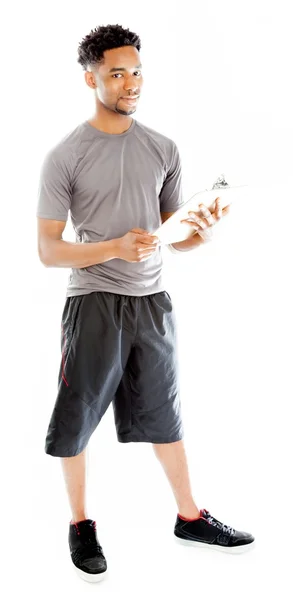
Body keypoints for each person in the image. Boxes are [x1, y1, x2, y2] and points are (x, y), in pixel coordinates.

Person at [36, 23, 255, 583]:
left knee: (165, 411)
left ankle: (190, 516)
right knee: (77, 419)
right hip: (94, 303)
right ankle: (80, 525)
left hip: (153, 303)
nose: (130, 82)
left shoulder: (163, 147)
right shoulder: (66, 156)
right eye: (117, 73)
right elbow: (48, 250)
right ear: (91, 78)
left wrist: (200, 231)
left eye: (136, 71)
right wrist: (112, 246)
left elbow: (171, 233)